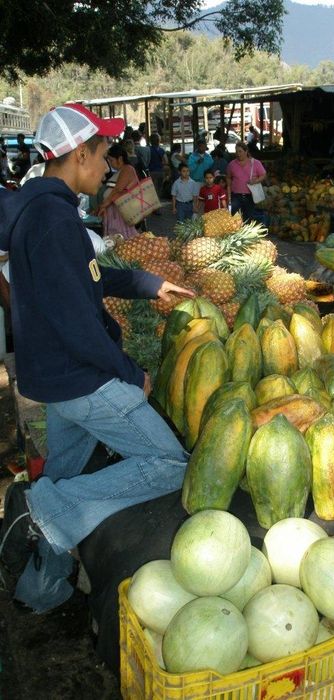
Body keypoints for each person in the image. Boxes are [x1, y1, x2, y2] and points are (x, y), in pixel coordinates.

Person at [0, 103, 195, 610]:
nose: (109, 166)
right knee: (169, 463)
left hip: (54, 379)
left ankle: (39, 592)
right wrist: (131, 374)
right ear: (79, 153)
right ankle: (43, 509)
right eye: (103, 153)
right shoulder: (53, 220)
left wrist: (147, 284)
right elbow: (77, 323)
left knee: (66, 471)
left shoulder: (40, 209)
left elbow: (85, 283)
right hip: (80, 378)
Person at [97, 143, 139, 239]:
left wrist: (103, 205)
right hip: (114, 212)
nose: (110, 163)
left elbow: (117, 190)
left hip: (120, 214)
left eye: (111, 160)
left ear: (120, 159)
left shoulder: (127, 169)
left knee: (120, 240)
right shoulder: (120, 171)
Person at [226, 142, 266, 223]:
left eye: (240, 151)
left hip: (250, 196)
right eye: (236, 151)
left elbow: (263, 175)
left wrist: (255, 181)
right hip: (236, 196)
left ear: (246, 151)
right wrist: (229, 193)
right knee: (234, 218)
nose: (238, 154)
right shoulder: (232, 164)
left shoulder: (255, 163)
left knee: (248, 218)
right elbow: (228, 178)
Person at [148, 133, 169, 204]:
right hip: (160, 172)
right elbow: (166, 161)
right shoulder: (161, 150)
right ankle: (157, 204)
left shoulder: (148, 149)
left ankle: (152, 205)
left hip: (151, 172)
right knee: (159, 190)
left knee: (152, 190)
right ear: (159, 141)